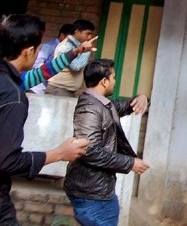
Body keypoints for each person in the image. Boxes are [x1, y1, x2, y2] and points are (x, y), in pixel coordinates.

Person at [0, 14, 89, 225]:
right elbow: (7, 161)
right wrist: (59, 153)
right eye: (38, 48)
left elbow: (41, 74)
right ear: (28, 51)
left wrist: (73, 54)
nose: (39, 52)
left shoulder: (10, 80)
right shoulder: (13, 97)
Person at [63, 58, 150, 226]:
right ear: (104, 81)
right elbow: (90, 151)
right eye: (114, 77)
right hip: (91, 192)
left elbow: (124, 106)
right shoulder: (89, 109)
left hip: (98, 190)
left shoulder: (102, 104)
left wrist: (142, 98)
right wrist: (130, 162)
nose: (115, 81)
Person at [21, 36, 97, 92]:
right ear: (29, 52)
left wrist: (78, 50)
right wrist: (84, 52)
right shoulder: (21, 81)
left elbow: (51, 68)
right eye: (38, 49)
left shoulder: (19, 80)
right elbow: (50, 69)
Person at [46, 19, 95, 97]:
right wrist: (86, 52)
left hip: (65, 90)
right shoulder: (66, 46)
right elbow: (75, 66)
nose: (90, 37)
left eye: (91, 34)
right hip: (59, 90)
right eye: (88, 33)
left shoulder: (77, 45)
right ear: (77, 31)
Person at [29, 23, 74, 94]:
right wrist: (49, 74)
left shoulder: (67, 49)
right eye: (70, 39)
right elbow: (37, 62)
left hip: (50, 88)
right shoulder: (50, 46)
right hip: (38, 87)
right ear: (62, 35)